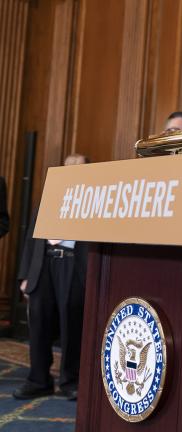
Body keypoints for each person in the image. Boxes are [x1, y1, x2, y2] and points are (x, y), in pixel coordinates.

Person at [13, 154, 90, 401]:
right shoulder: (48, 198)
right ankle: (38, 380)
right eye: (68, 167)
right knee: (39, 324)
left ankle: (70, 381)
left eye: (79, 168)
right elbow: (30, 239)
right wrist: (25, 276)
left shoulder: (93, 200)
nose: (72, 171)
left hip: (72, 265)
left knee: (72, 325)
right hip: (43, 265)